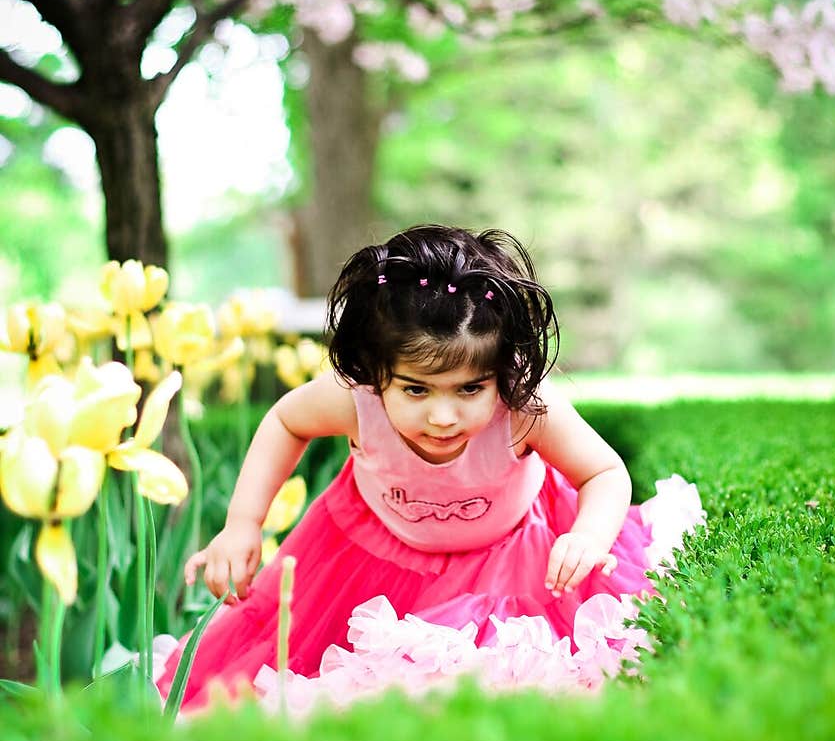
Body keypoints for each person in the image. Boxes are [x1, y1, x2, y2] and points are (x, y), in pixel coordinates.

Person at [156, 224, 703, 712]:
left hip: (509, 555)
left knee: (508, 680)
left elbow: (604, 473)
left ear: (500, 374)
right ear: (377, 374)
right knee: (336, 685)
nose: (443, 416)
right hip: (370, 555)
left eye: (470, 389)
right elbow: (285, 422)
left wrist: (589, 534)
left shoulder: (525, 408)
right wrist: (243, 524)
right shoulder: (355, 398)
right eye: (416, 390)